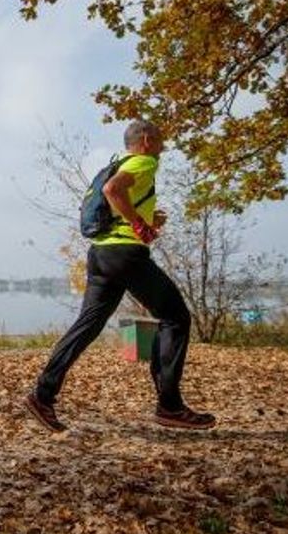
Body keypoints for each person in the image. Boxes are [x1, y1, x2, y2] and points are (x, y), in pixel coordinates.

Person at [23, 120, 216, 432]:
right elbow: (114, 191)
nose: (164, 147)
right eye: (160, 141)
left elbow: (114, 197)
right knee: (176, 318)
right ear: (145, 140)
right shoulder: (144, 162)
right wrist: (140, 225)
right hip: (125, 255)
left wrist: (145, 218)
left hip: (101, 255)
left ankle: (42, 395)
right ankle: (170, 406)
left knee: (87, 326)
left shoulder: (117, 164)